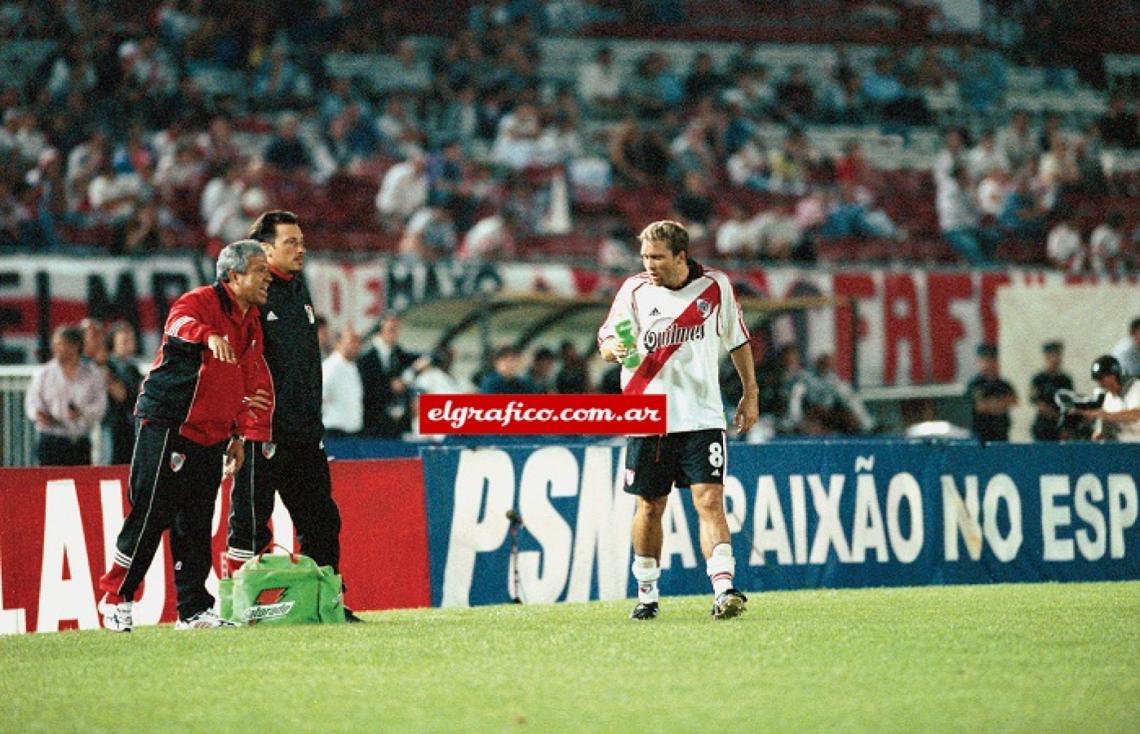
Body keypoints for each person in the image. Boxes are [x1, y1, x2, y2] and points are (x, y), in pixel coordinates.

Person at [97, 240, 273, 632]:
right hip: (169, 423)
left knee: (195, 523)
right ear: (234, 275)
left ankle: (193, 610)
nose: (267, 277)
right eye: (260, 270)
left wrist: (240, 434)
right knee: (151, 512)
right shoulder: (200, 302)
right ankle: (115, 597)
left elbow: (249, 382)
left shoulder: (252, 320)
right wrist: (208, 336)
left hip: (212, 435)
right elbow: (176, 325)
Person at [598, 220, 758, 621]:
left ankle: (724, 589)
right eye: (645, 257)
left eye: (657, 257)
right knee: (650, 505)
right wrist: (614, 346)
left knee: (709, 500)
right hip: (647, 414)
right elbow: (610, 341)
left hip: (702, 414)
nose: (648, 264)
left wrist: (749, 393)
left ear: (680, 257)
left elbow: (737, 340)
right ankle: (647, 593)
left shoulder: (714, 286)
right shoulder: (634, 291)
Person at [225, 210, 361, 623]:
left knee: (322, 521)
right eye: (291, 243)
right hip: (263, 432)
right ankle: (237, 609)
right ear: (265, 250)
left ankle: (328, 605)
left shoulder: (299, 289)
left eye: (301, 242)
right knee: (250, 524)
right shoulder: (249, 296)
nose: (301, 249)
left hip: (304, 434)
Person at [24, 324, 107, 465]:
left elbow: (100, 406)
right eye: (54, 344)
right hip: (50, 440)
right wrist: (39, 414)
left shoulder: (92, 373)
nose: (55, 348)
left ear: (74, 346)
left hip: (79, 442)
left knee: (81, 484)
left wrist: (81, 413)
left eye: (60, 344)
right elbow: (32, 402)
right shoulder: (44, 373)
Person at [357, 313, 420, 437]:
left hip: (398, 425)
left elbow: (418, 361)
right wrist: (389, 388)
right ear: (381, 330)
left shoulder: (399, 354)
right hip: (374, 425)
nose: (394, 333)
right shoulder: (366, 358)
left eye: (396, 330)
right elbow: (366, 390)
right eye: (391, 329)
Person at [103, 321, 143, 464]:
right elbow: (120, 395)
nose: (129, 344)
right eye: (124, 341)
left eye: (131, 340)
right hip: (112, 426)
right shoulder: (107, 366)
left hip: (130, 426)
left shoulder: (133, 368)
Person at [1075, 355, 1140, 442]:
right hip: (1122, 447)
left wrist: (1105, 415)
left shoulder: (1136, 388)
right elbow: (1103, 428)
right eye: (1097, 379)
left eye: (1101, 378)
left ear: (1113, 376)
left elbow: (1135, 415)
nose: (1099, 383)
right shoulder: (1106, 398)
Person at [966, 343, 1017, 442]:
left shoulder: (1003, 383)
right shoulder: (975, 384)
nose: (989, 364)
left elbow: (1013, 401)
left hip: (1001, 431)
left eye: (992, 360)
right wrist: (999, 404)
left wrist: (992, 403)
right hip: (982, 432)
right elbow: (980, 406)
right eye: (985, 360)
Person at [322, 327, 364, 437]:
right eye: (352, 341)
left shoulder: (353, 366)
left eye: (358, 341)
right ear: (339, 343)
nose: (356, 345)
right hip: (334, 432)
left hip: (352, 433)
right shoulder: (330, 367)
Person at [1029, 341, 1074, 441]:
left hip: (1062, 426)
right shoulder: (1039, 379)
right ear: (1046, 357)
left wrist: (1067, 426)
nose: (1055, 359)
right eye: (1052, 356)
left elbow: (1069, 405)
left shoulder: (1065, 380)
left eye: (1058, 355)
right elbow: (1037, 403)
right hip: (1044, 426)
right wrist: (1054, 415)